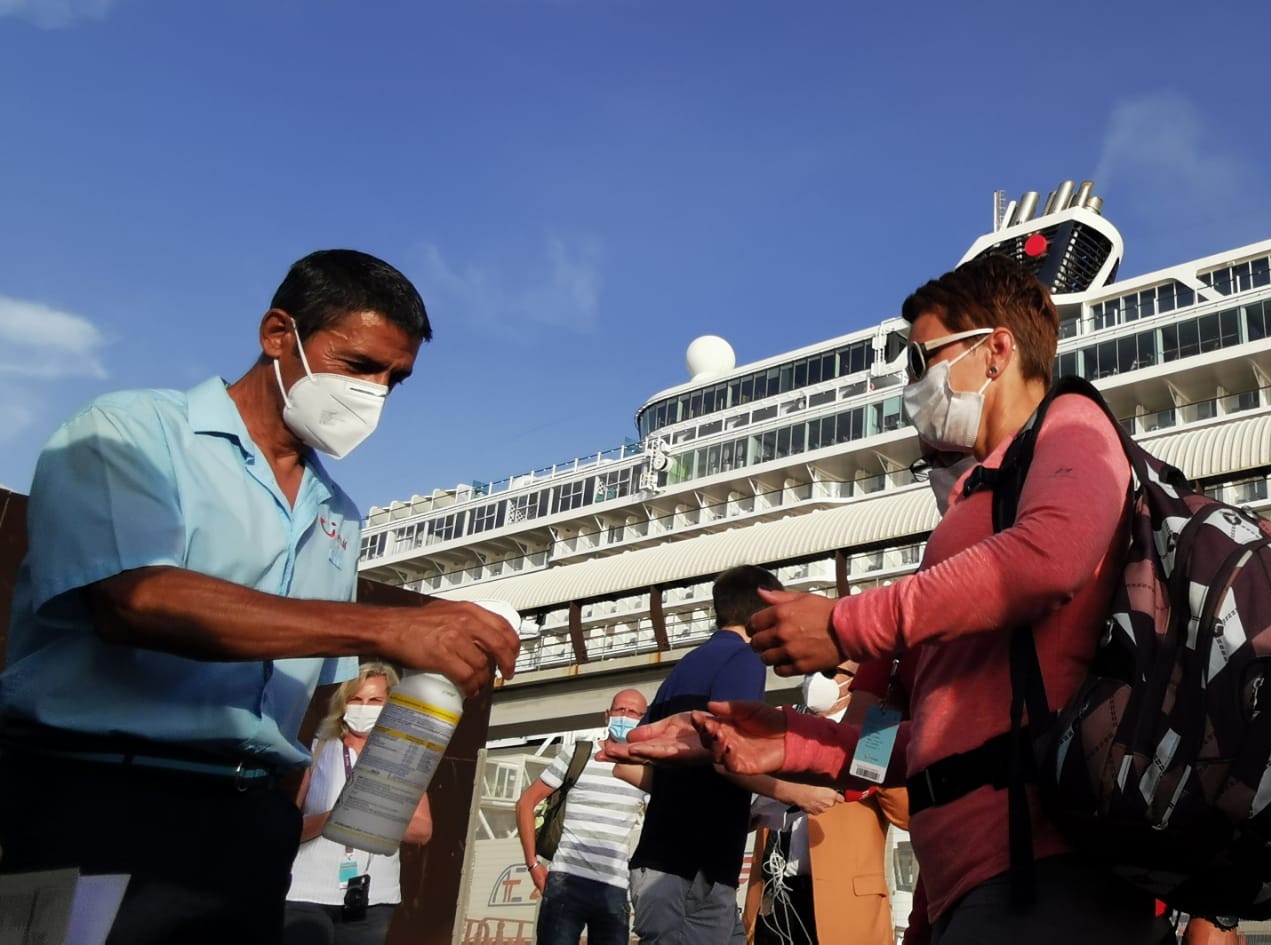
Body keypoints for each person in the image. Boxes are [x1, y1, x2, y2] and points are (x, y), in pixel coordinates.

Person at [0, 249, 522, 944]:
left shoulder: (337, 512)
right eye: (360, 364)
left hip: (251, 826)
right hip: (101, 798)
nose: (376, 394)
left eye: (395, 379)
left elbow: (304, 697)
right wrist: (386, 629)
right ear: (278, 333)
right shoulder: (133, 431)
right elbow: (133, 599)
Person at [672, 254, 1154, 944]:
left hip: (1042, 875)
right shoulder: (977, 503)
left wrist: (847, 624)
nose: (911, 385)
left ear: (996, 350)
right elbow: (894, 753)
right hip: (965, 881)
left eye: (922, 358)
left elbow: (1051, 557)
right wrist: (789, 742)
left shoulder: (1070, 423)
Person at [626, 565, 844, 945]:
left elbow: (632, 764)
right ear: (762, 611)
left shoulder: (684, 668)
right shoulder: (742, 659)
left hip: (668, 859)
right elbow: (731, 755)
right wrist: (797, 794)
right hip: (696, 869)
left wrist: (695, 798)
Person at [741, 667, 911, 945]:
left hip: (843, 906)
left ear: (856, 680)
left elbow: (906, 816)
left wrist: (878, 764)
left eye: (830, 671)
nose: (814, 678)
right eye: (810, 671)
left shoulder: (874, 731)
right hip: (774, 898)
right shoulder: (783, 724)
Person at [283, 662, 430, 945]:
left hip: (371, 898)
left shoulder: (405, 758)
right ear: (344, 703)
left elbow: (422, 830)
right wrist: (335, 817)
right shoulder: (317, 749)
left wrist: (366, 815)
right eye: (357, 699)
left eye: (375, 700)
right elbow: (290, 827)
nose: (365, 708)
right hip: (306, 893)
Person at [516, 689, 652, 945]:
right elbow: (525, 803)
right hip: (566, 881)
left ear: (644, 721)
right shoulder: (576, 754)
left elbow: (659, 823)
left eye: (634, 712)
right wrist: (533, 865)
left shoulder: (645, 770)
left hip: (615, 887)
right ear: (607, 715)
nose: (625, 716)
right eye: (620, 710)